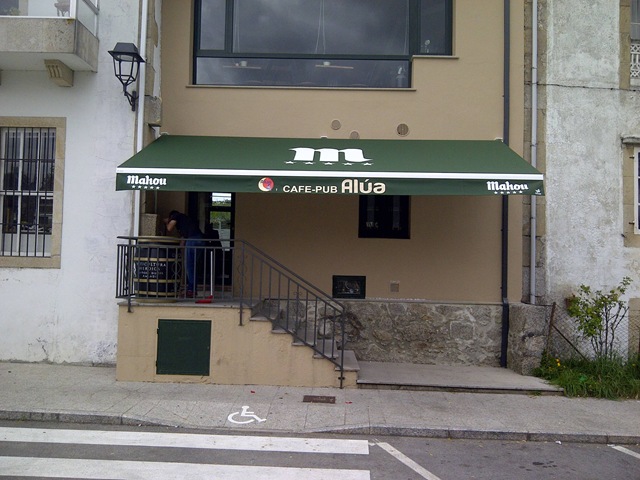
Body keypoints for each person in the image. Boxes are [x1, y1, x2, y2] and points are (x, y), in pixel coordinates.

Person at [164, 210, 204, 297]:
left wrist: (167, 222)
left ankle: (191, 291)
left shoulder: (175, 216)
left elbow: (169, 228)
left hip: (193, 240)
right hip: (200, 240)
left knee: (190, 266)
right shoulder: (184, 223)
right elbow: (182, 242)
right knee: (193, 266)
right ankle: (192, 289)